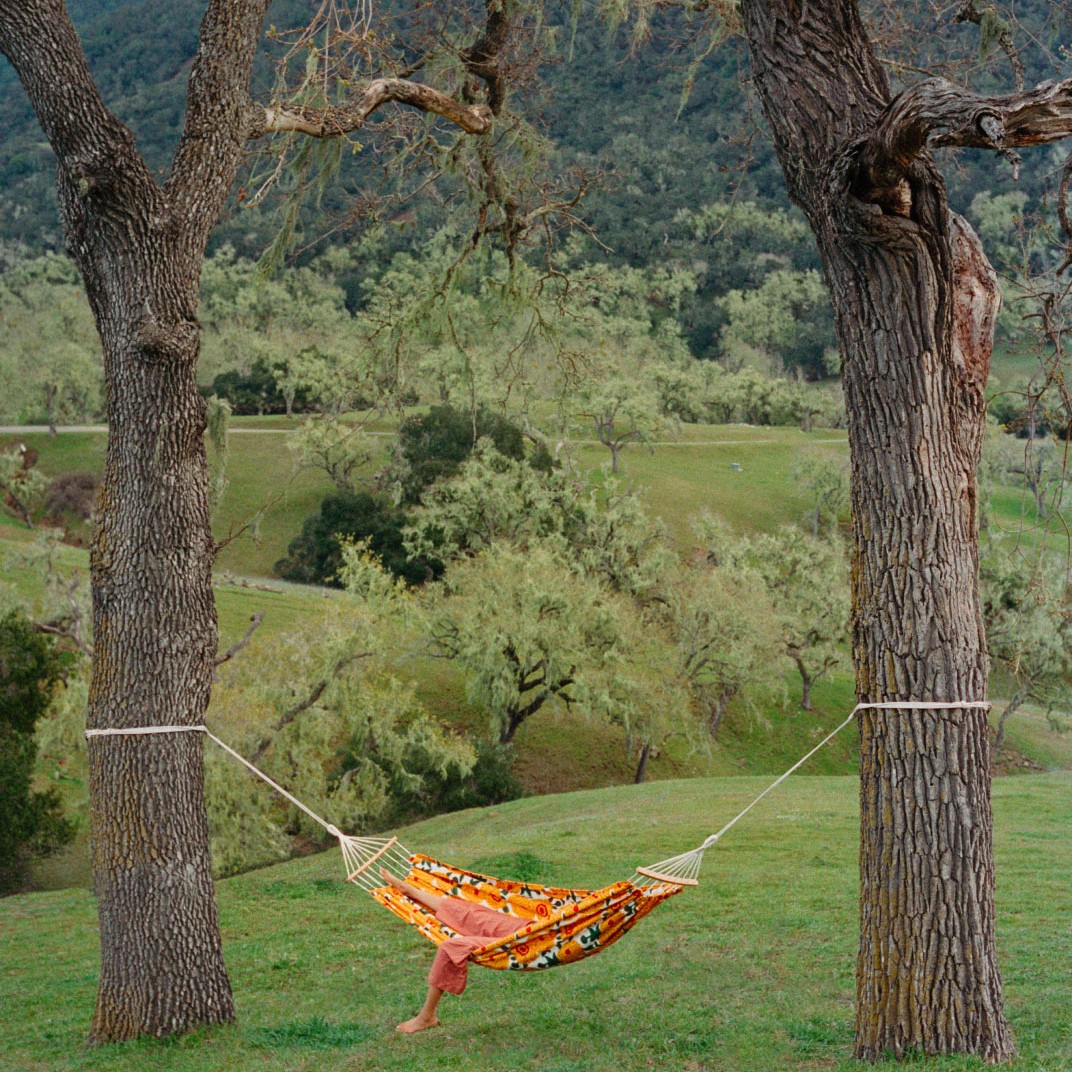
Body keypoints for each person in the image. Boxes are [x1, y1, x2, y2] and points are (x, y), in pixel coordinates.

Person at [380, 867, 526, 1033]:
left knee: (452, 947)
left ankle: (427, 1016)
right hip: (535, 925)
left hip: (537, 937)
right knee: (470, 912)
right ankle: (411, 891)